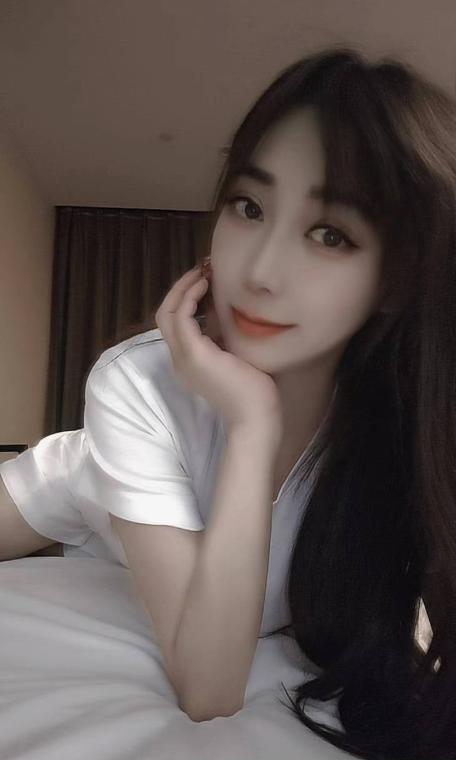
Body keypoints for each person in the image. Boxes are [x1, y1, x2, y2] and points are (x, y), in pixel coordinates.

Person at [1, 45, 455, 757]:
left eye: (330, 234)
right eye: (249, 206)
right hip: (74, 483)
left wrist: (252, 419)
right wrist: (252, 422)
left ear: (398, 280)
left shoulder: (404, 425)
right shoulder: (139, 380)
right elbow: (209, 690)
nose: (261, 271)